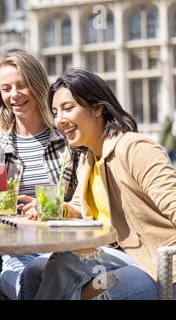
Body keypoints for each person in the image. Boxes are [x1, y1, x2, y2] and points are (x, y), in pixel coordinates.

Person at [20, 68, 176, 300]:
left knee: (80, 277)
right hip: (111, 256)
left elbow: (173, 203)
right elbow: (79, 210)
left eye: (68, 108)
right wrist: (54, 208)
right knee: (34, 272)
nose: (59, 120)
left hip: (150, 262)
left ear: (97, 108)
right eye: (55, 112)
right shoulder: (88, 159)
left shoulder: (135, 148)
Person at [0, 50, 79, 300]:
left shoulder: (70, 141)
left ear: (38, 85)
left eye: (22, 85)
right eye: (6, 88)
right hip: (12, 250)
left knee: (41, 280)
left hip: (62, 247)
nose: (14, 95)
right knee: (29, 282)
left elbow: (80, 203)